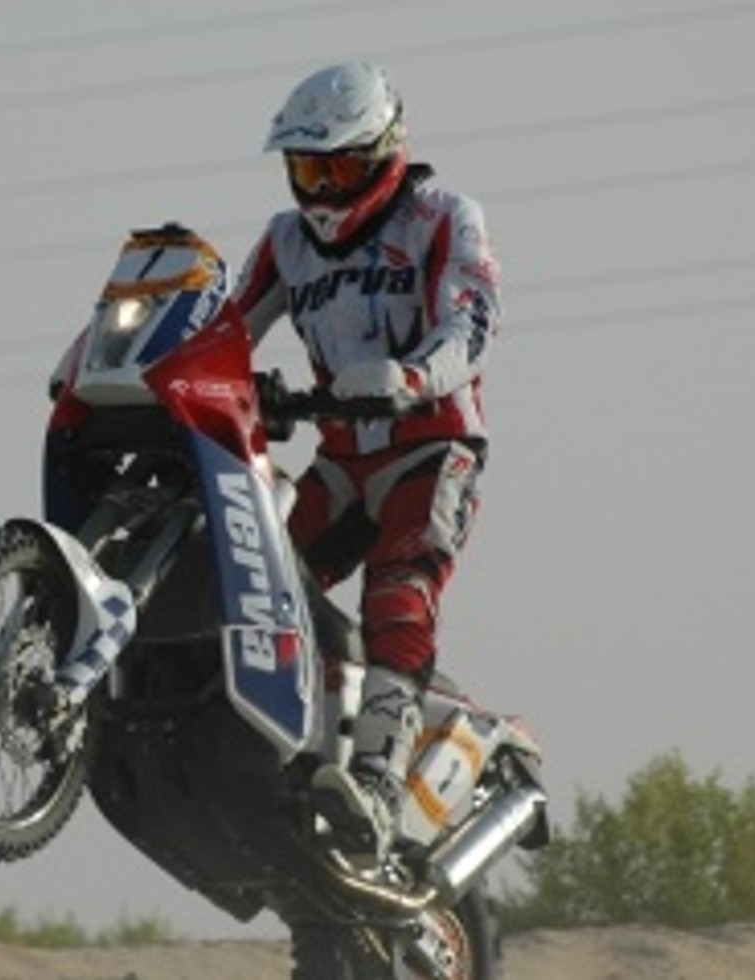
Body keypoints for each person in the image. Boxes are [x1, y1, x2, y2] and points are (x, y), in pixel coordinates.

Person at [231, 61, 501, 859]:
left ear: (385, 153)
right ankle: (287, 751)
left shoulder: (442, 217)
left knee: (399, 593)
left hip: (432, 448)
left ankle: (381, 787)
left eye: (339, 169)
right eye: (306, 170)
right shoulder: (285, 242)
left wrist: (412, 376)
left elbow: (471, 325)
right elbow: (226, 330)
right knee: (253, 583)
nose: (321, 191)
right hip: (341, 460)